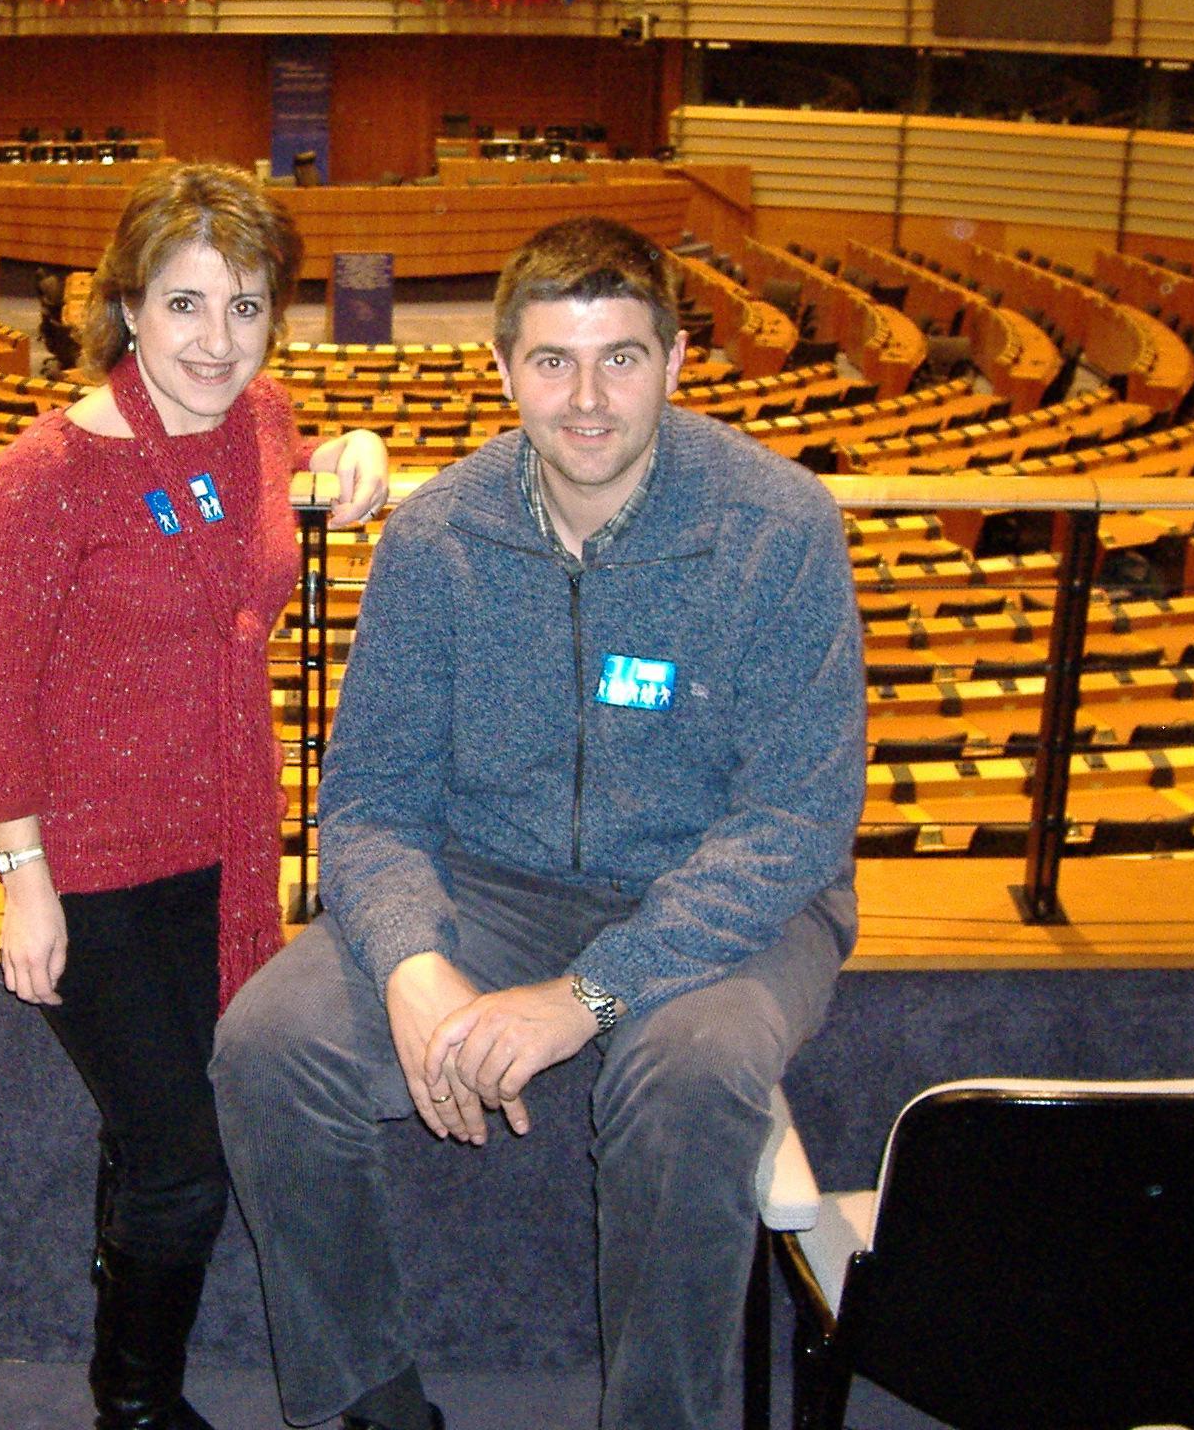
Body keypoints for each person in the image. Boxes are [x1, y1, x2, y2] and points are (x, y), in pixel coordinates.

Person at [212, 216, 865, 1430]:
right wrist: (412, 965)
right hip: (491, 883)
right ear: (503, 368)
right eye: (553, 361)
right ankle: (366, 1394)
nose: (587, 401)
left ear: (677, 361)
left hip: (729, 895)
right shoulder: (438, 535)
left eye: (621, 357)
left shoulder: (779, 526)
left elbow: (797, 817)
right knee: (268, 1046)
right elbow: (370, 802)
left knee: (693, 1074)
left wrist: (591, 995)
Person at [0, 162, 389, 1430]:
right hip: (90, 871)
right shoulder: (44, 475)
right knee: (191, 1166)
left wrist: (345, 446)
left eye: (248, 307)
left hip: (221, 850)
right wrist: (23, 882)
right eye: (186, 305)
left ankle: (126, 1354)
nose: (218, 340)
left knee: (156, 1141)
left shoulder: (261, 423)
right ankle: (133, 1405)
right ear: (127, 307)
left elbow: (273, 469)